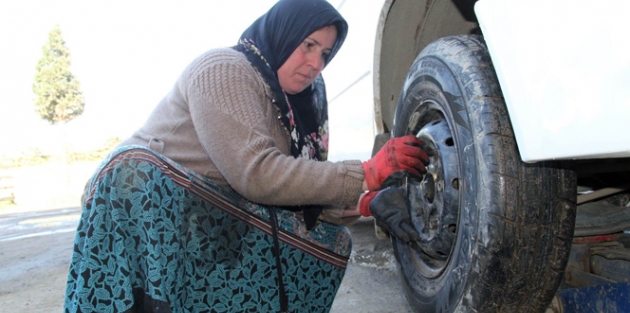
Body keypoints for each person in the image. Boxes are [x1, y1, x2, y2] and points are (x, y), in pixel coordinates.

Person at [64, 0, 428, 312]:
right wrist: (367, 172)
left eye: (325, 54)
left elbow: (296, 188)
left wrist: (366, 204)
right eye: (308, 44)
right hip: (141, 204)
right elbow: (258, 175)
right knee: (140, 174)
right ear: (282, 33)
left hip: (206, 208)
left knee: (331, 242)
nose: (316, 63)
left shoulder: (292, 107)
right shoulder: (225, 68)